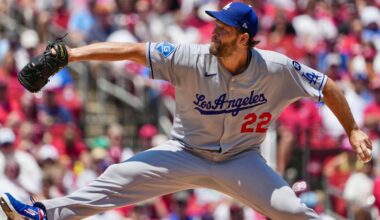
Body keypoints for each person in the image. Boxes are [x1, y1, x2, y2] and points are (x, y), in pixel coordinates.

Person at [0, 2, 373, 220]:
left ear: (243, 38)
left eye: (224, 28)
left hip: (241, 160)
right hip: (184, 153)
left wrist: (353, 129)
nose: (214, 31)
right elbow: (133, 50)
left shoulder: (275, 68)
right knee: (117, 177)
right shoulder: (189, 57)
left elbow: (328, 86)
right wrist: (72, 55)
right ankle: (43, 214)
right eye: (215, 23)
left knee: (292, 211)